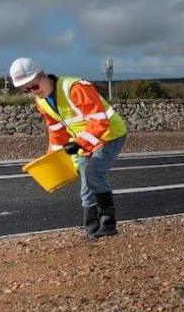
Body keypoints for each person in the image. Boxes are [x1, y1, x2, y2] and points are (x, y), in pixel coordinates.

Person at [9, 57, 128, 239]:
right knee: (86, 185)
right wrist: (53, 159)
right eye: (27, 90)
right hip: (84, 142)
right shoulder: (42, 102)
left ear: (43, 76)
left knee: (93, 174)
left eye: (34, 86)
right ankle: (92, 229)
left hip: (110, 135)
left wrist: (79, 144)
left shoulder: (75, 87)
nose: (33, 92)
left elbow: (100, 121)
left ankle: (108, 224)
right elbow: (56, 132)